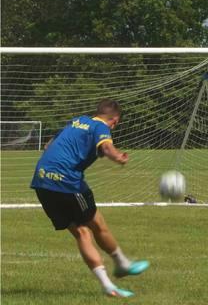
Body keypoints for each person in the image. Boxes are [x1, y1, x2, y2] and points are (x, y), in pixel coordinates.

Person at [30, 99, 149, 298]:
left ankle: (108, 284)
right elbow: (107, 148)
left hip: (41, 181)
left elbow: (49, 144)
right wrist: (118, 157)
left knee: (81, 233)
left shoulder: (77, 121)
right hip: (67, 182)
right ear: (115, 121)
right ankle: (122, 264)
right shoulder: (101, 127)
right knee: (97, 224)